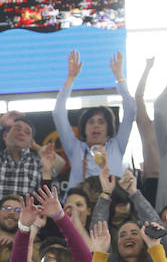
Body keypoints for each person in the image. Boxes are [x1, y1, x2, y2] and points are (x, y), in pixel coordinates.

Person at [56, 50, 136, 184]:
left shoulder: (117, 145)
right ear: (84, 128)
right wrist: (70, 78)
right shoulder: (74, 147)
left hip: (113, 202)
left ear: (108, 128)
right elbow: (58, 113)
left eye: (101, 122)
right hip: (79, 203)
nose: (96, 125)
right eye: (91, 122)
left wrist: (119, 76)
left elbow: (131, 110)